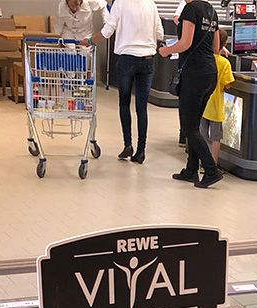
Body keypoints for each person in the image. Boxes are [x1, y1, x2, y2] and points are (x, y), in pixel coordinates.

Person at [159, 0, 222, 188]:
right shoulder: (211, 10)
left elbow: (185, 43)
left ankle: (211, 170)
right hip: (210, 73)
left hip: (194, 74)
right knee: (193, 124)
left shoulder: (190, 9)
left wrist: (166, 50)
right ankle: (191, 169)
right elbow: (216, 47)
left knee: (189, 128)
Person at [96, 0, 163, 163]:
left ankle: (128, 144)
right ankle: (141, 151)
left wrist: (90, 41)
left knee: (124, 103)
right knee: (142, 108)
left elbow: (107, 31)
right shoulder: (151, 4)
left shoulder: (120, 3)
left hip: (127, 59)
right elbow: (160, 33)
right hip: (148, 59)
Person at [201, 28, 234, 166]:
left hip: (202, 105)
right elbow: (228, 84)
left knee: (202, 135)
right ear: (224, 44)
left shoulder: (204, 59)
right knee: (216, 138)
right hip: (216, 107)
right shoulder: (224, 63)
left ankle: (202, 162)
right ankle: (212, 165)